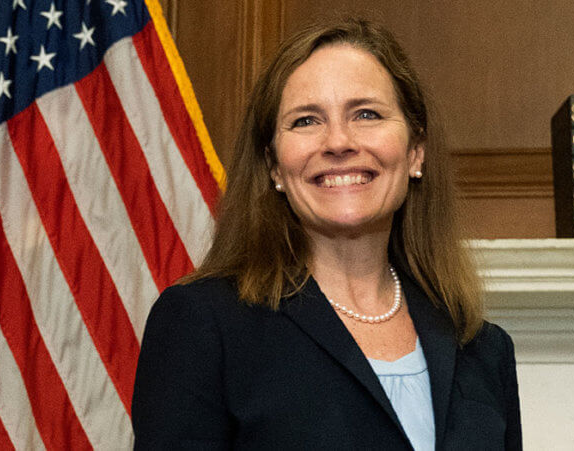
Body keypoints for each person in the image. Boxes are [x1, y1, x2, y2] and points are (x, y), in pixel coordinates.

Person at [131, 17, 522, 450]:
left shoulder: (483, 349)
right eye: (305, 121)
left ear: (415, 152)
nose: (338, 142)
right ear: (275, 166)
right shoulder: (203, 324)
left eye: (367, 114)